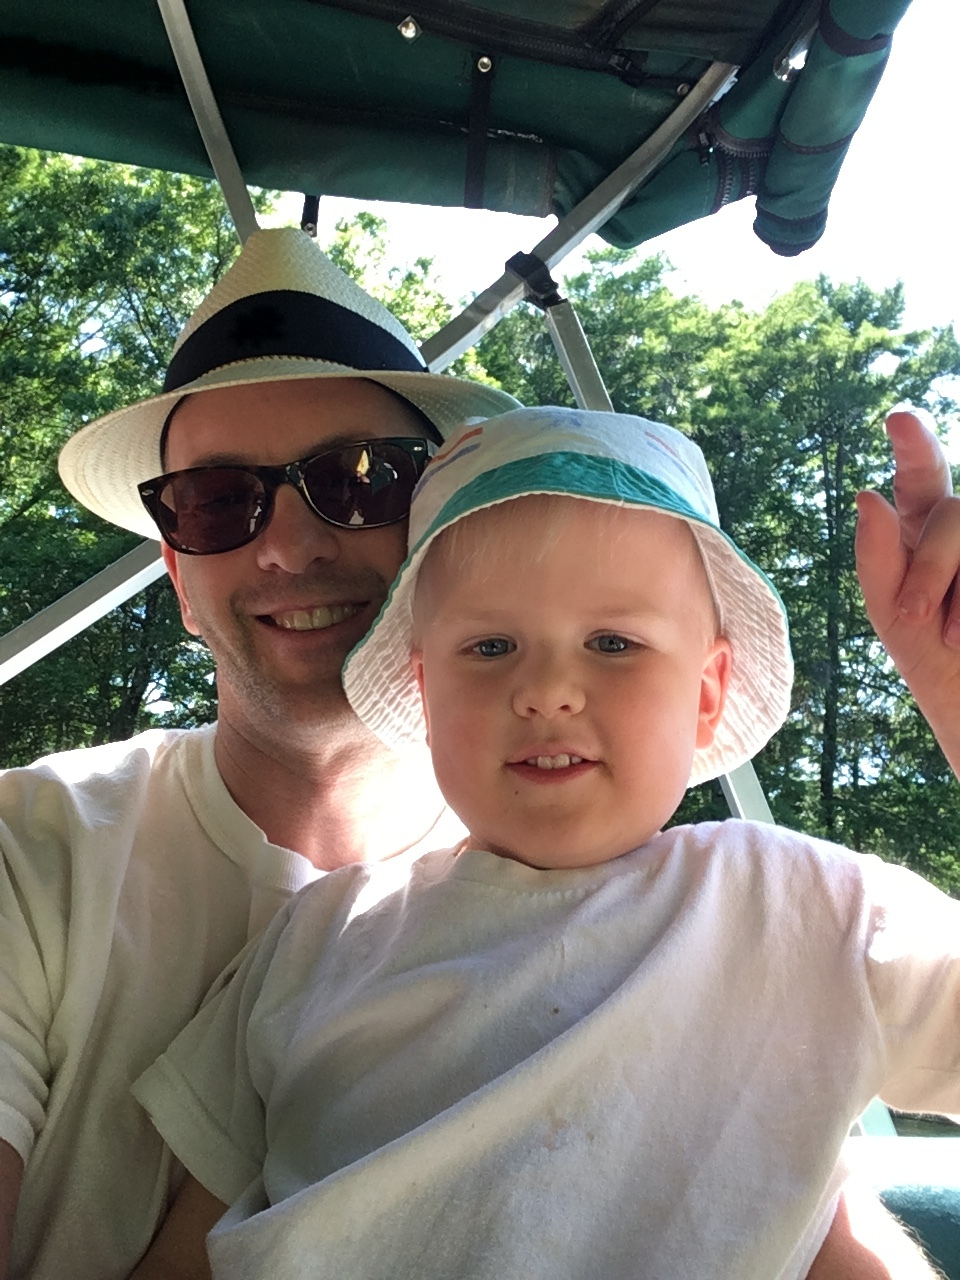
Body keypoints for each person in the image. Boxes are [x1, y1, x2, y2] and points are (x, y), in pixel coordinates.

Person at [132, 406, 960, 1280]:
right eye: (490, 646)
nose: (547, 689)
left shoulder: (806, 908)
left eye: (614, 642)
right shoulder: (318, 933)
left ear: (707, 692)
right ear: (426, 692)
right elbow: (190, 1246)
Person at [0, 225, 520, 1280]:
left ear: (447, 530)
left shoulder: (583, 891)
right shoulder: (28, 850)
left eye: (360, 479)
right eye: (217, 501)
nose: (287, 545)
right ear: (178, 578)